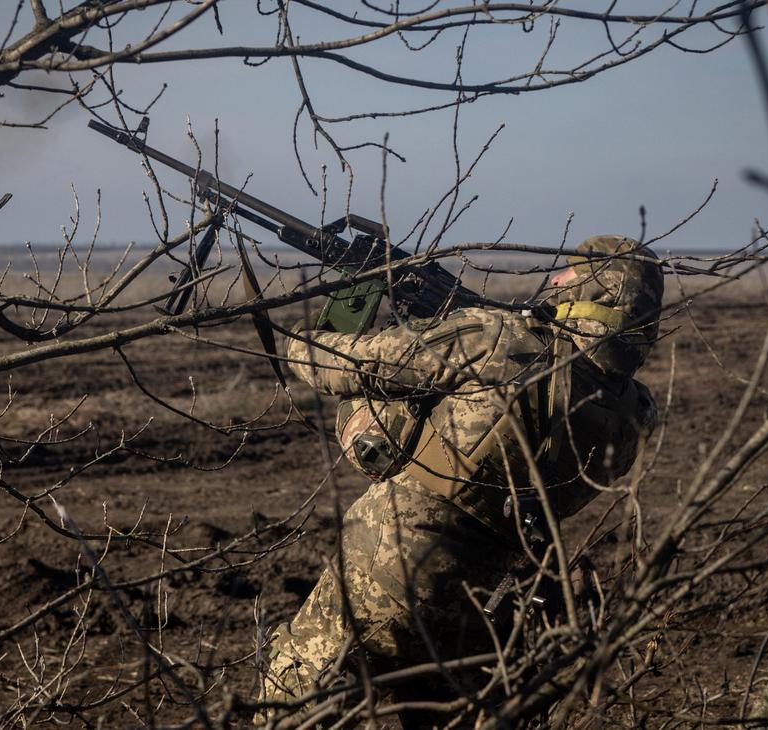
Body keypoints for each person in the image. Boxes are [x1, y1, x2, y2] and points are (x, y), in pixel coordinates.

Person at [259, 235, 665, 726]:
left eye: (571, 274)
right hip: (482, 601)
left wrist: (307, 335)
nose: (556, 279)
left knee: (295, 702)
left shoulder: (499, 339)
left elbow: (343, 365)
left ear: (598, 291)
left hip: (387, 570)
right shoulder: (636, 413)